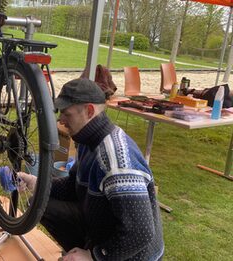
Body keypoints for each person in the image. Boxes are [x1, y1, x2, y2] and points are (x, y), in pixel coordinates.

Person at [18, 78, 164, 260]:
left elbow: (140, 233)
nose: (61, 120)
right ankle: (81, 251)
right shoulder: (88, 141)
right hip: (105, 227)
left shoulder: (115, 159)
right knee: (40, 202)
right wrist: (37, 183)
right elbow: (72, 187)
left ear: (89, 111)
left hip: (134, 255)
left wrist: (93, 256)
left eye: (66, 113)